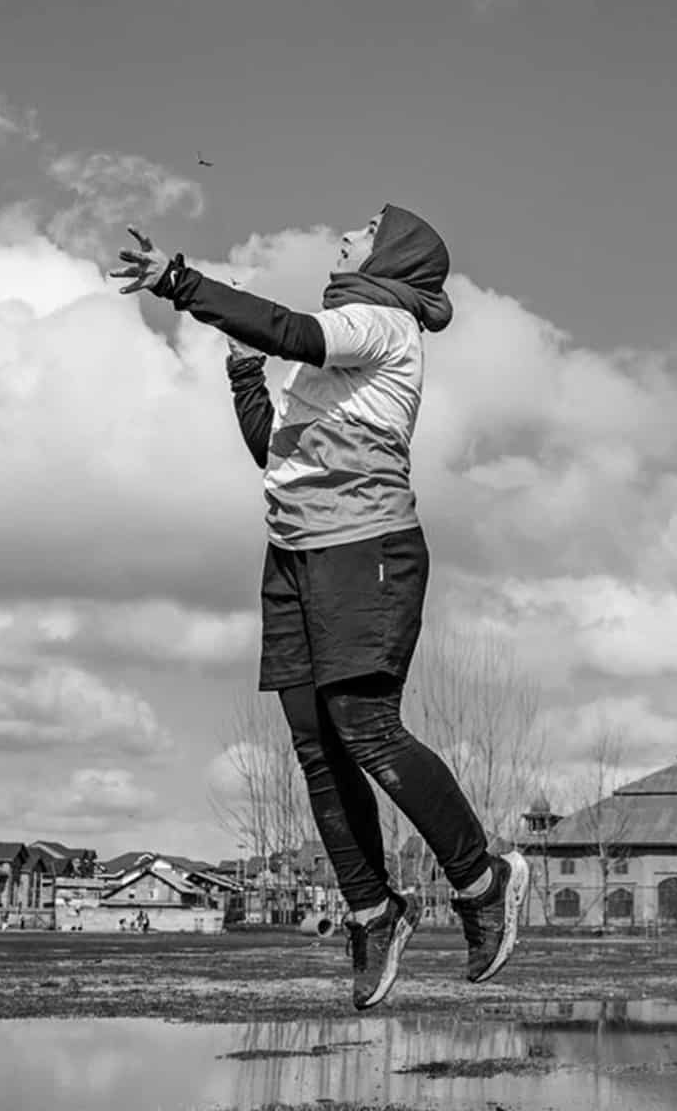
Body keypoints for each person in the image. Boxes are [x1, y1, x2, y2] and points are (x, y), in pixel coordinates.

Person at [112, 206, 528, 1011]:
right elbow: (278, 454)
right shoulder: (333, 358)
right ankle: (374, 912)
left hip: (365, 549)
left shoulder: (380, 322)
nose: (347, 228)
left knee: (366, 728)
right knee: (315, 745)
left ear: (393, 253)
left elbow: (292, 331)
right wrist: (242, 377)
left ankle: (483, 880)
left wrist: (179, 282)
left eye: (366, 224)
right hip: (297, 555)